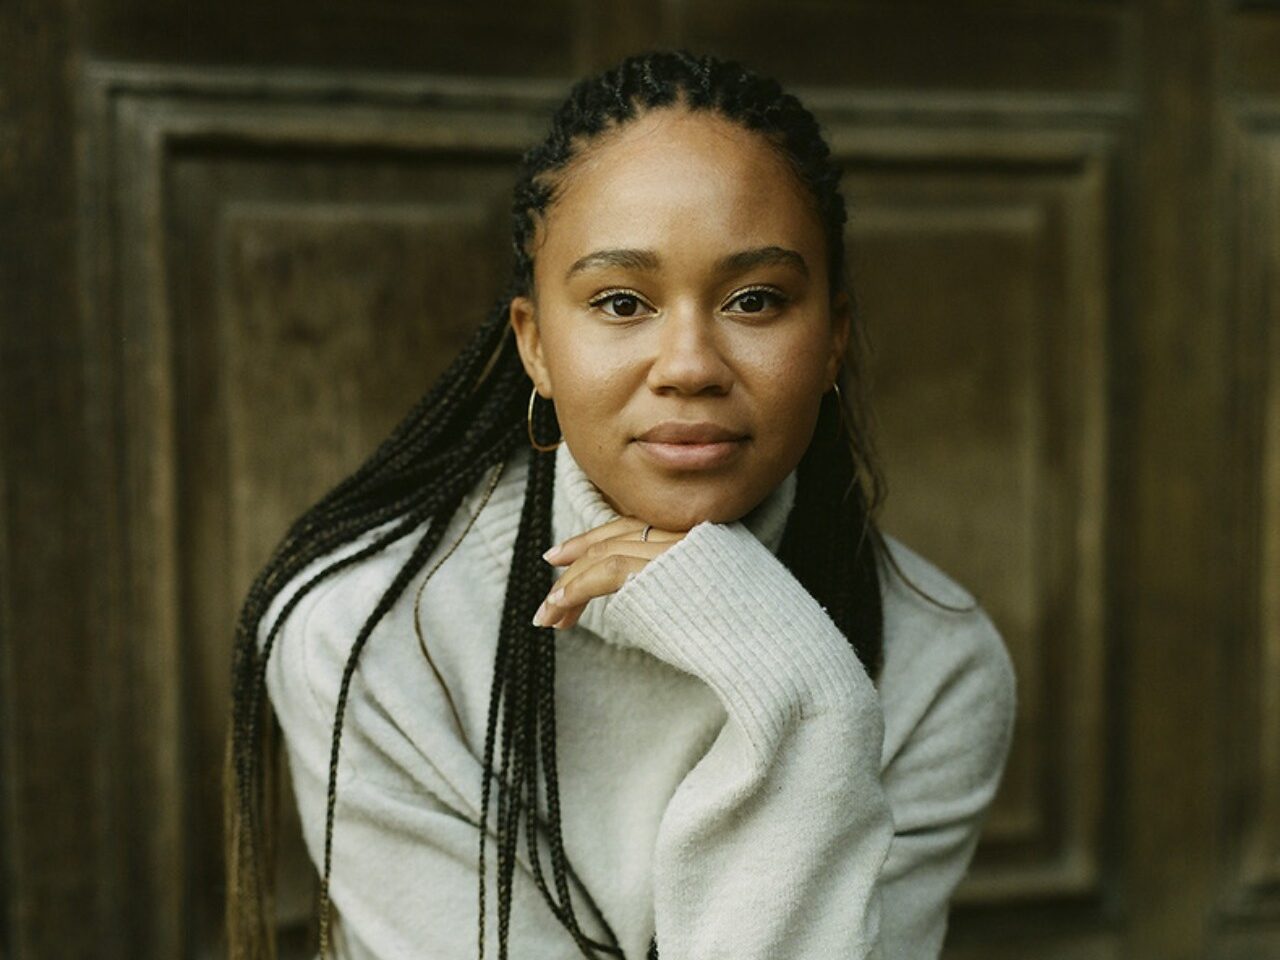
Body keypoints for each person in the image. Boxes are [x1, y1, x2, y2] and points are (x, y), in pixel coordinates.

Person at [225, 49, 1016, 960]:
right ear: (536, 347)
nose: (688, 365)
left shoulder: (938, 664)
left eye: (755, 300)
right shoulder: (370, 630)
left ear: (833, 338)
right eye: (621, 301)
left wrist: (804, 694)